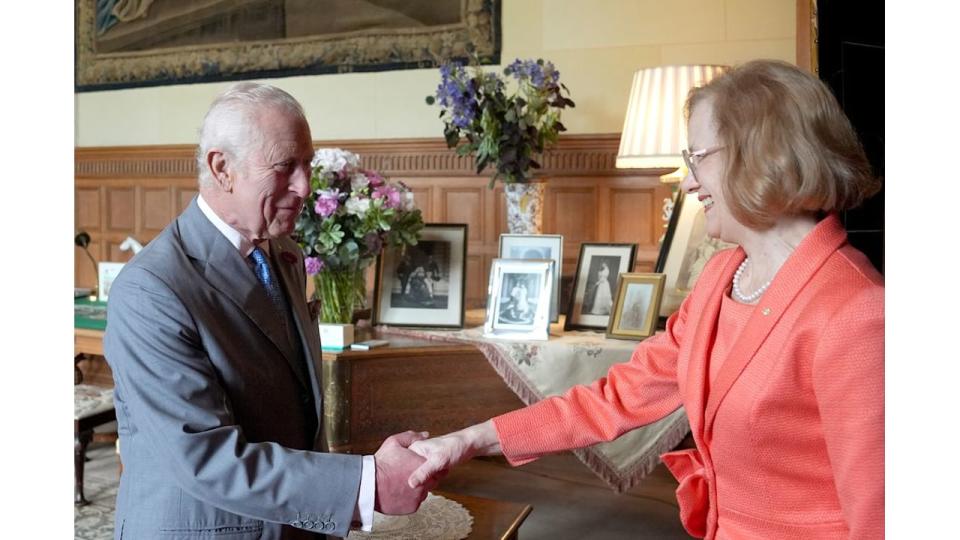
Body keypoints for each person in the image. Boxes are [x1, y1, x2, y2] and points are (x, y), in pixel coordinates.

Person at [404, 60, 883, 539]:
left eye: (699, 157)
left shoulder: (856, 312)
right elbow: (616, 397)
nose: (689, 182)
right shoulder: (723, 277)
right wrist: (469, 440)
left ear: (764, 153)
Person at [104, 82, 436, 539]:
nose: (304, 186)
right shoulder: (150, 290)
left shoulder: (283, 253)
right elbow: (204, 457)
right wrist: (366, 482)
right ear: (222, 168)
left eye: (308, 165)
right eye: (285, 167)